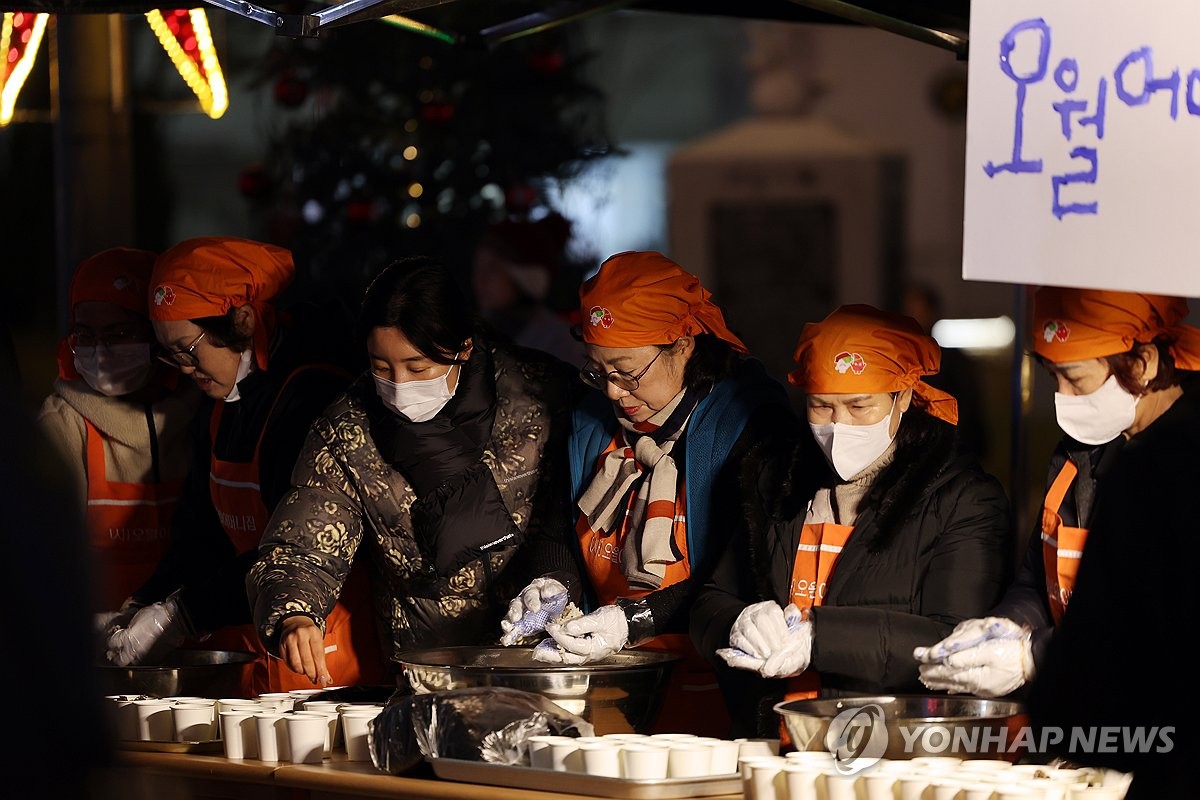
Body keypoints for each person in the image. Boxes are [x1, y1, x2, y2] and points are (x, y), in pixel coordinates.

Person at [913, 289, 1200, 796]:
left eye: (1076, 378)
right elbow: (1037, 572)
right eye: (1053, 377)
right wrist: (1011, 623)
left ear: (1145, 362)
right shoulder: (1080, 455)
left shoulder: (1178, 467)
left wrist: (1037, 657)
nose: (1063, 396)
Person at [500, 250, 798, 737]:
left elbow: (742, 569)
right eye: (598, 371)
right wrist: (552, 583)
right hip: (612, 685)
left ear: (683, 345)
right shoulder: (592, 420)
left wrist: (633, 619)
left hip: (715, 690)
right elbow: (558, 522)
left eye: (627, 371)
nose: (614, 392)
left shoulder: (748, 425)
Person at [248, 256, 580, 687]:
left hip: (541, 665)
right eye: (381, 368)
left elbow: (577, 519)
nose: (400, 386)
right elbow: (303, 543)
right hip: (424, 670)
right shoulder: (348, 431)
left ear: (463, 347)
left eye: (418, 368)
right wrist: (293, 612)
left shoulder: (539, 398)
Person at [691, 304, 1013, 738]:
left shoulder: (962, 500)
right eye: (821, 406)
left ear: (902, 397)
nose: (838, 426)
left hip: (892, 744)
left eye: (859, 406)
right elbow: (711, 597)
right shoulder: (775, 482)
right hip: (772, 739)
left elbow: (952, 638)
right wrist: (737, 621)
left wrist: (818, 640)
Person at [100, 236, 386, 695]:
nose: (182, 368)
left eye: (188, 350)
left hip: (324, 654)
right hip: (252, 642)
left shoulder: (308, 397)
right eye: (168, 354)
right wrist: (144, 601)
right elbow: (201, 532)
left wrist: (181, 614)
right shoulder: (219, 399)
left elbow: (290, 549)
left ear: (243, 319)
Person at [38, 247, 200, 614]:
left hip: (197, 641)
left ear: (155, 332)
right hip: (99, 653)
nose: (101, 350)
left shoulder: (198, 412)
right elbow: (40, 557)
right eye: (86, 334)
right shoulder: (63, 425)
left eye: (119, 332)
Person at [471, 212, 584, 365]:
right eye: (478, 267)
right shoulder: (474, 333)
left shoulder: (559, 345)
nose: (480, 278)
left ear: (522, 277)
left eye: (493, 268)